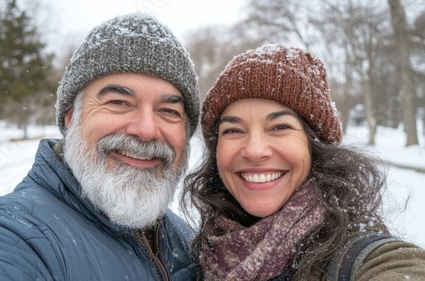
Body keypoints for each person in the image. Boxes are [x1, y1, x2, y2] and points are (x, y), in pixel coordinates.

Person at [0, 13, 200, 280]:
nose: (147, 130)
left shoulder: (186, 238)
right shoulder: (14, 232)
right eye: (118, 102)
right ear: (71, 116)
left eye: (169, 111)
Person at [182, 44, 425, 280]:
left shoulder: (363, 258)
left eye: (280, 127)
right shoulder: (198, 254)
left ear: (315, 145)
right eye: (233, 130)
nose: (254, 151)